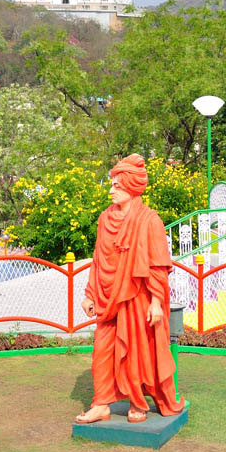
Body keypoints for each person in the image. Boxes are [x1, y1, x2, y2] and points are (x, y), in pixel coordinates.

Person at [75, 154, 185, 425]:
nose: (111, 190)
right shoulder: (105, 219)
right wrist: (90, 293)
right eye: (112, 185)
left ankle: (139, 402)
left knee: (136, 352)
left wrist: (157, 302)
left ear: (131, 187)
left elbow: (159, 264)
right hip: (108, 297)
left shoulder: (149, 220)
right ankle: (101, 404)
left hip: (137, 297)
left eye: (117, 185)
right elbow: (99, 259)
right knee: (101, 350)